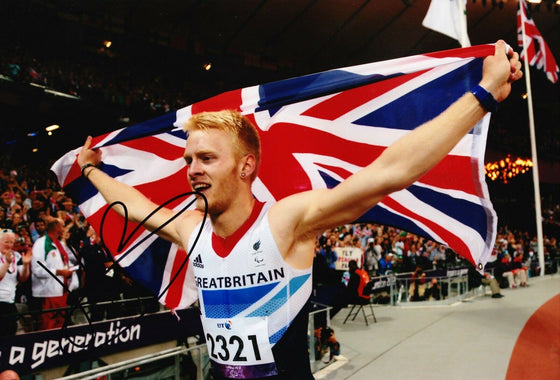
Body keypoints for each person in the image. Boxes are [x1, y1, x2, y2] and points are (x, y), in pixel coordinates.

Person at [77, 41, 521, 379]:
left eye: (207, 159)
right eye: (189, 160)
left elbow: (388, 172)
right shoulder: (190, 228)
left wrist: (481, 94)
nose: (192, 170)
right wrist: (90, 171)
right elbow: (134, 208)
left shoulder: (286, 222)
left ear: (246, 166)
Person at [31, 218, 74, 330]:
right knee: (48, 325)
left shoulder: (59, 243)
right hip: (47, 292)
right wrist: (59, 272)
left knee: (60, 324)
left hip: (61, 291)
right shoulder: (41, 243)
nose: (64, 229)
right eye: (63, 226)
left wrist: (69, 271)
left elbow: (63, 263)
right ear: (56, 227)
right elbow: (37, 269)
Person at [0, 229, 31, 336]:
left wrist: (26, 264)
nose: (9, 245)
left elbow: (23, 278)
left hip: (9, 301)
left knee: (10, 332)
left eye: (12, 242)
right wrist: (7, 263)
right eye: (6, 242)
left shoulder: (16, 256)